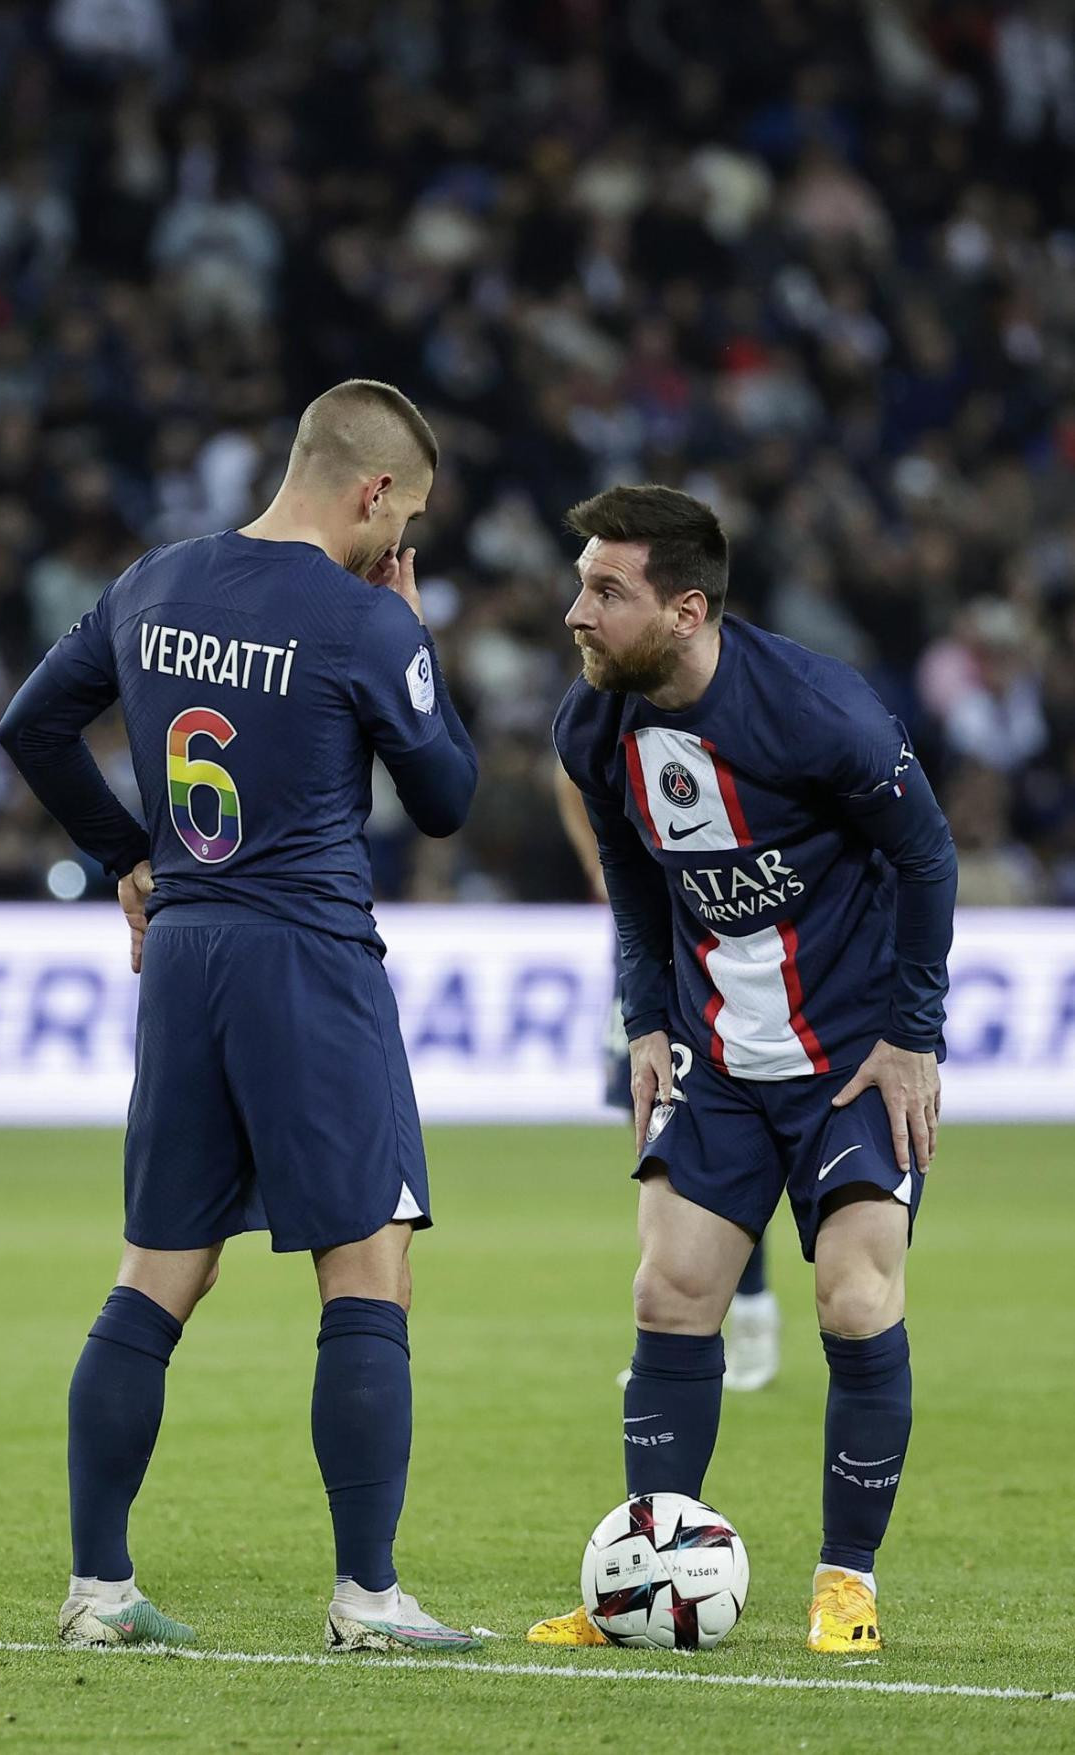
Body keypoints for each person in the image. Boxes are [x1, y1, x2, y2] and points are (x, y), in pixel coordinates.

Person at [0, 379, 480, 1654]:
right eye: (408, 515)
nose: (403, 544)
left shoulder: (155, 583)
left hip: (190, 953)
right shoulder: (362, 615)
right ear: (373, 491)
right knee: (369, 1261)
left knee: (159, 1269)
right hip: (310, 955)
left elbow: (32, 723)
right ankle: (369, 1599)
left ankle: (98, 1592)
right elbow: (446, 799)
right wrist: (414, 640)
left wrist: (126, 855)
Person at [529, 485, 955, 1653]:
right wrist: (646, 1021)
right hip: (717, 1061)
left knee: (854, 1299)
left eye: (604, 591)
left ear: (687, 609)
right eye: (581, 583)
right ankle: (641, 1580)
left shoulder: (821, 713)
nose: (576, 611)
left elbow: (928, 857)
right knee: (669, 1296)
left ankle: (846, 1584)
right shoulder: (592, 728)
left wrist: (913, 1036)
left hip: (854, 1062)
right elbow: (630, 883)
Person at [555, 764, 782, 1393]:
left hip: (714, 935)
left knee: (720, 1125)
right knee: (662, 1127)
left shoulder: (706, 713)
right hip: (647, 932)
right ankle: (682, 1338)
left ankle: (751, 1313)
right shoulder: (610, 716)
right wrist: (600, 864)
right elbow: (567, 777)